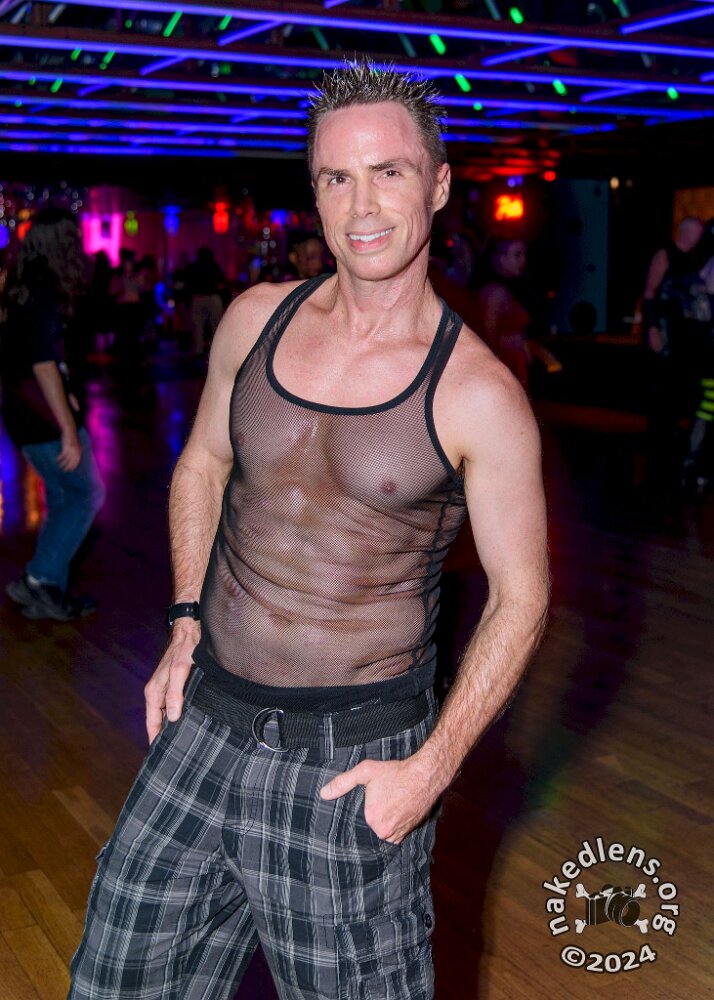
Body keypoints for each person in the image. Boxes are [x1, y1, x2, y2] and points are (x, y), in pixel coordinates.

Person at [69, 60, 549, 1000]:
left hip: (350, 762)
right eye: (336, 177)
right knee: (115, 980)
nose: (361, 205)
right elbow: (202, 465)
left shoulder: (478, 395)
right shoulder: (255, 320)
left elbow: (522, 599)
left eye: (388, 172)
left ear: (438, 185)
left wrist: (430, 770)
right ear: (315, 193)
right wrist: (183, 621)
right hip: (203, 723)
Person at [1, 209, 105, 620]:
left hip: (21, 411)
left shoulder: (19, 287)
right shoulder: (45, 291)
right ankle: (39, 578)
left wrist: (67, 391)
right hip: (42, 417)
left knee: (64, 496)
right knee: (87, 494)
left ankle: (47, 590)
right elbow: (43, 363)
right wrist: (68, 429)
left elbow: (33, 358)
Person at [475, 237, 531, 389]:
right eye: (517, 254)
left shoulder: (507, 290)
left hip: (514, 366)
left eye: (524, 254)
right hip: (504, 369)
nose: (523, 260)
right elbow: (488, 335)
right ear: (501, 258)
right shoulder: (495, 293)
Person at [185, 246, 226, 356]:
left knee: (198, 327)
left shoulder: (193, 267)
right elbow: (221, 283)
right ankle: (215, 352)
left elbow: (188, 283)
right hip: (212, 297)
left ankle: (198, 350)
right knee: (216, 326)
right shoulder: (214, 267)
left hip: (198, 298)